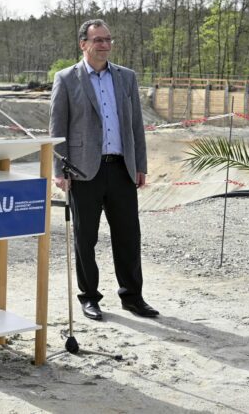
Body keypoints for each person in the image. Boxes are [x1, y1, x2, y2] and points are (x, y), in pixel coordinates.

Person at [49, 19, 159, 321]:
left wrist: (140, 165)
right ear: (83, 44)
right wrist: (60, 169)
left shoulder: (126, 77)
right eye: (98, 40)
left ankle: (133, 298)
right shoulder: (66, 78)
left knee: (128, 236)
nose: (105, 45)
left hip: (121, 169)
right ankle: (89, 297)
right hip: (83, 171)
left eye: (108, 39)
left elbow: (135, 125)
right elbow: (57, 128)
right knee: (85, 238)